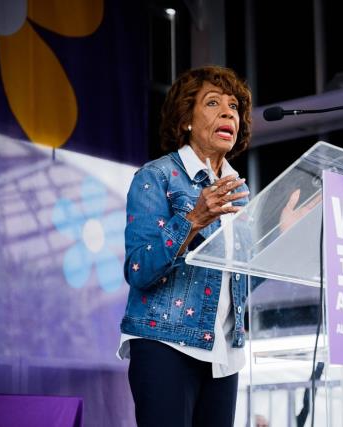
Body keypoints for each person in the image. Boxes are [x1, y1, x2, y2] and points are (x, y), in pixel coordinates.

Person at [117, 65, 254, 427]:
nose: (228, 113)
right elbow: (138, 269)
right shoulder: (156, 176)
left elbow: (240, 283)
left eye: (234, 106)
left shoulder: (239, 192)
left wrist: (281, 233)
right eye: (213, 103)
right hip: (165, 345)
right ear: (186, 120)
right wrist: (192, 220)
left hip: (223, 354)